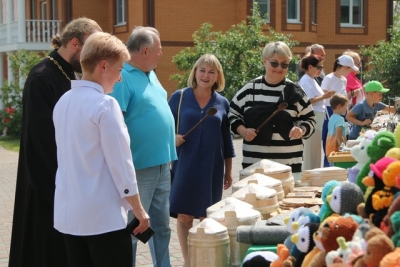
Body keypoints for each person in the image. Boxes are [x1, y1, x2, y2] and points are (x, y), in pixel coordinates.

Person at [8, 18, 102, 267]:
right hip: (47, 186)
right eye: (90, 50)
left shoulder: (69, 73)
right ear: (74, 43)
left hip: (66, 184)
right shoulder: (42, 78)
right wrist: (64, 189)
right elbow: (43, 144)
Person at [52, 31, 149, 267]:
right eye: (119, 70)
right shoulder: (105, 105)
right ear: (103, 66)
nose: (120, 79)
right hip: (102, 220)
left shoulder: (63, 101)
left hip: (69, 217)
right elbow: (121, 164)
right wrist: (138, 210)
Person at [110, 26, 177, 267]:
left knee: (162, 227)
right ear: (146, 50)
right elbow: (115, 125)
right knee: (134, 228)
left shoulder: (150, 73)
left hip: (162, 164)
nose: (161, 55)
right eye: (158, 50)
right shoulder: (123, 77)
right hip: (139, 168)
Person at [168, 54, 235, 264]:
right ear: (195, 72)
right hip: (184, 165)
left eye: (211, 71)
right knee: (184, 216)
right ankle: (189, 261)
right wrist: (173, 138)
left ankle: (204, 260)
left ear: (218, 76)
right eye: (202, 70)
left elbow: (227, 139)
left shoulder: (223, 103)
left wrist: (229, 170)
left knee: (207, 217)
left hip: (212, 167)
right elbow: (164, 128)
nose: (206, 75)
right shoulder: (178, 98)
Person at [228, 41, 316, 181]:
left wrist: (301, 130)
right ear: (264, 61)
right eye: (274, 63)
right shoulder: (250, 89)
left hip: (289, 169)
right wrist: (243, 131)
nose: (279, 68)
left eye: (284, 64)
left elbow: (310, 120)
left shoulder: (295, 91)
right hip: (254, 168)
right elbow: (232, 116)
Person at [298, 55, 335, 171]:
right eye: (319, 67)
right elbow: (307, 101)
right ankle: (309, 174)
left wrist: (325, 96)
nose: (321, 70)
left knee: (315, 148)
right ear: (310, 67)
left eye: (322, 67)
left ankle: (314, 172)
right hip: (312, 114)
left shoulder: (311, 79)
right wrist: (325, 96)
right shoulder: (305, 80)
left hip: (318, 114)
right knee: (311, 148)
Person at [321, 54, 358, 167]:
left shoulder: (344, 80)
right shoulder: (329, 77)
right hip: (329, 110)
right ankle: (328, 164)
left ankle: (339, 161)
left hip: (341, 110)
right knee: (329, 138)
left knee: (341, 135)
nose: (350, 72)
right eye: (350, 69)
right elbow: (323, 95)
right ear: (345, 67)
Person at [325, 94, 349, 159]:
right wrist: (344, 149)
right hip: (336, 151)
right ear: (339, 106)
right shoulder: (340, 119)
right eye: (346, 106)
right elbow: (339, 136)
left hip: (329, 149)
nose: (347, 109)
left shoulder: (331, 118)